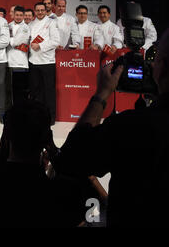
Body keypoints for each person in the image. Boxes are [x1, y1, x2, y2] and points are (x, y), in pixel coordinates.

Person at [51, 28, 169, 227]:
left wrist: (102, 94)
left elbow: (71, 160)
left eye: (156, 60)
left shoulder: (132, 127)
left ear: (162, 68)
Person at [0, 100, 85, 227]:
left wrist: (1, 152)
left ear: (6, 135)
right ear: (47, 137)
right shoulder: (65, 195)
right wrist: (54, 152)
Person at [28, 2, 60, 125]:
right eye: (38, 10)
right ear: (35, 11)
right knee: (36, 91)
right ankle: (37, 115)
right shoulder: (31, 24)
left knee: (49, 91)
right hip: (33, 61)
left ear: (46, 11)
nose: (40, 12)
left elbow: (56, 41)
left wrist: (40, 45)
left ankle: (51, 117)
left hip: (47, 62)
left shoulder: (52, 23)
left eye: (42, 10)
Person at [7, 6, 31, 105]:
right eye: (17, 15)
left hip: (21, 63)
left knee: (19, 91)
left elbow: (15, 42)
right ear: (13, 14)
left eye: (21, 15)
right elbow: (13, 42)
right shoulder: (8, 26)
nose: (19, 17)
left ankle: (20, 114)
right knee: (9, 90)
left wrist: (7, 40)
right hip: (8, 61)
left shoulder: (26, 27)